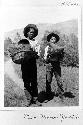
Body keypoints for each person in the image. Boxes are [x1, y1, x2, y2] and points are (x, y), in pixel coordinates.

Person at [20, 24, 41, 106]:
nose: (31, 33)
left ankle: (35, 99)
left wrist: (34, 53)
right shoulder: (23, 41)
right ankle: (29, 99)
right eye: (30, 32)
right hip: (24, 64)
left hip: (32, 63)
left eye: (33, 32)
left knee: (34, 81)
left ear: (35, 33)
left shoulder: (36, 42)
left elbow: (38, 55)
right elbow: (18, 52)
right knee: (26, 82)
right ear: (27, 33)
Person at [44, 33, 64, 100]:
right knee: (48, 80)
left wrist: (61, 55)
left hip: (57, 64)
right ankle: (48, 95)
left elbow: (61, 58)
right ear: (49, 40)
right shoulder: (47, 48)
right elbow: (45, 59)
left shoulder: (58, 48)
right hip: (49, 64)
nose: (53, 40)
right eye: (51, 39)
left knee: (59, 80)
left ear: (56, 40)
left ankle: (61, 95)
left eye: (54, 39)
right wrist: (48, 57)